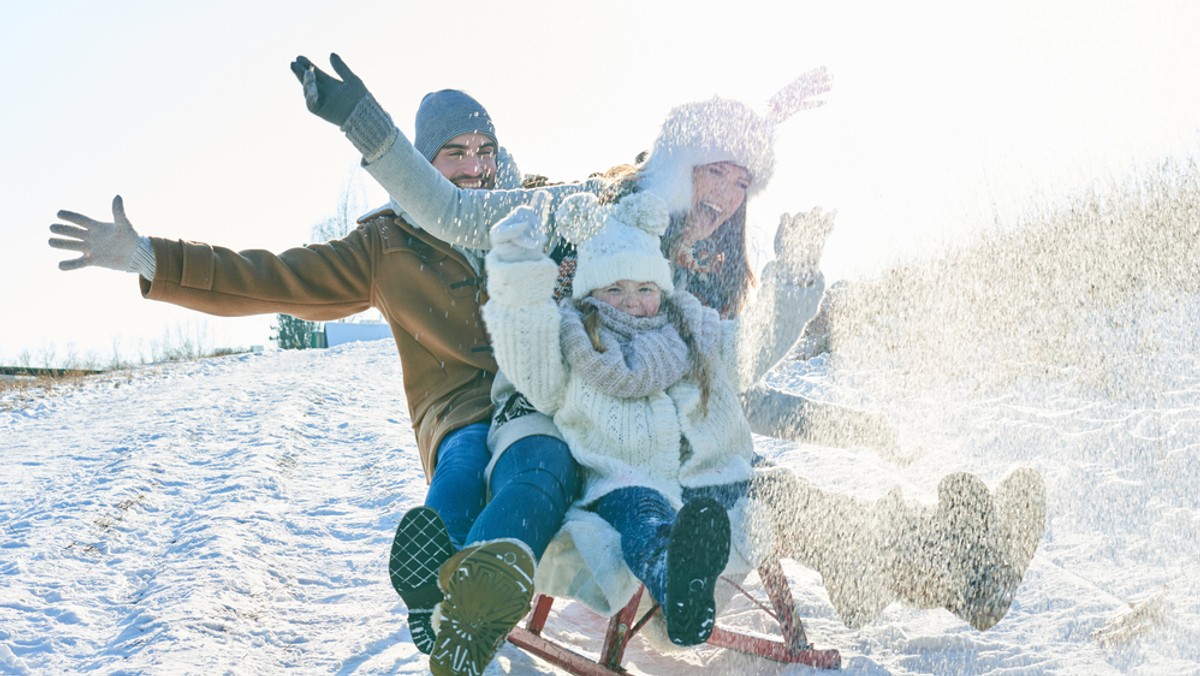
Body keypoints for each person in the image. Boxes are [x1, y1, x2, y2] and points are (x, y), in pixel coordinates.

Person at [47, 88, 583, 661]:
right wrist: (152, 258)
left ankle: (466, 590)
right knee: (466, 459)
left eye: (485, 149)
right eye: (455, 153)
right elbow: (274, 277)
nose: (475, 167)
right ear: (421, 163)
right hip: (460, 410)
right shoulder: (388, 245)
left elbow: (622, 201)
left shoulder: (540, 207)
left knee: (535, 459)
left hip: (541, 398)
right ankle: (444, 579)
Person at [294, 53, 897, 453]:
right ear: (676, 169)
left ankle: (943, 551)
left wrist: (856, 429)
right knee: (755, 490)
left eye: (742, 183)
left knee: (765, 486)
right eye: (712, 173)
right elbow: (456, 213)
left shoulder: (700, 276)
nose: (726, 196)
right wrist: (363, 123)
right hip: (593, 439)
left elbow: (729, 381)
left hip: (674, 440)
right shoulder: (593, 208)